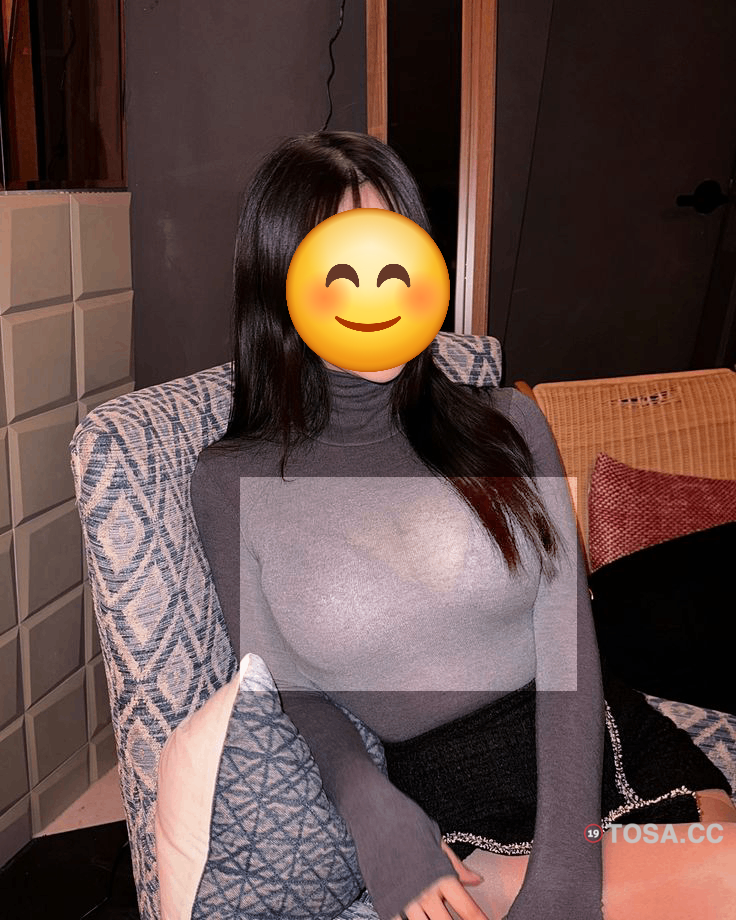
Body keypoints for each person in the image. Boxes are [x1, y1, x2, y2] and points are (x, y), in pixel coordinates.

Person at [190, 130, 736, 920]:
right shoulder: (231, 480)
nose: (374, 287)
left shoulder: (508, 423)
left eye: (394, 251)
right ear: (279, 279)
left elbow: (568, 642)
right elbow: (288, 687)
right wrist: (372, 813)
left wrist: (568, 869)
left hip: (603, 755)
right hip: (454, 796)